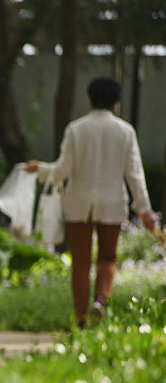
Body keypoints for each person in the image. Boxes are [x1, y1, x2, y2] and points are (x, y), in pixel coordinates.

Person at [25, 77, 156, 327]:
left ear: (90, 99)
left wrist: (39, 169)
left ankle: (81, 319)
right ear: (116, 102)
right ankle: (100, 301)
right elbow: (134, 174)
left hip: (78, 204)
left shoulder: (76, 129)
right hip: (112, 203)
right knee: (107, 258)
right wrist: (144, 210)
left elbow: (63, 170)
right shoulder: (125, 131)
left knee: (80, 264)